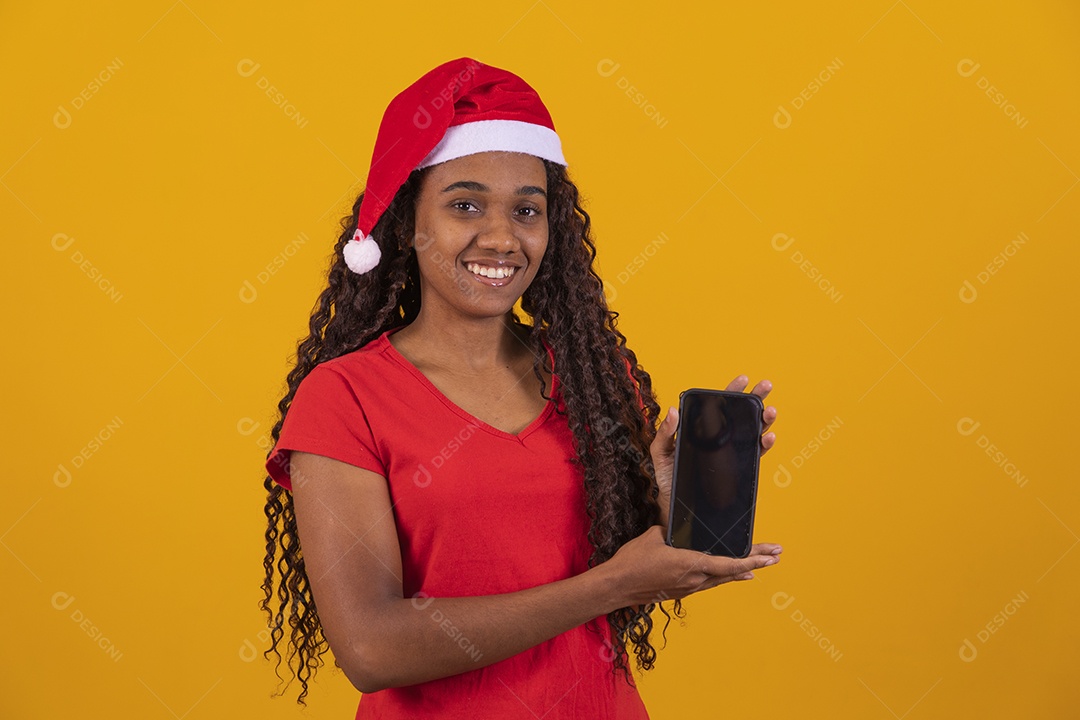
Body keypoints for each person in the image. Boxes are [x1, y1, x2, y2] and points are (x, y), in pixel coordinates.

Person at [260, 57, 782, 719]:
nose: (502, 237)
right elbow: (371, 647)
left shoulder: (589, 378)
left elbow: (607, 584)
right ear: (406, 224)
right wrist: (613, 584)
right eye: (465, 204)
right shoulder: (345, 399)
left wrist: (668, 513)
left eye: (526, 210)